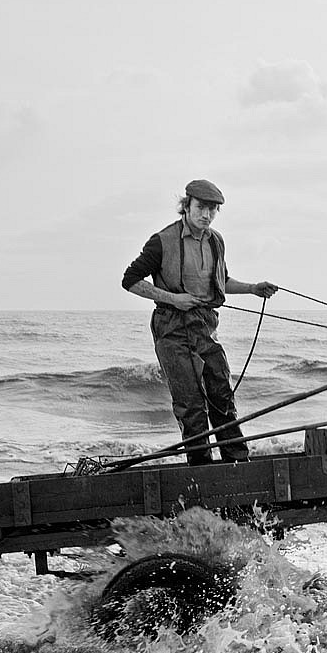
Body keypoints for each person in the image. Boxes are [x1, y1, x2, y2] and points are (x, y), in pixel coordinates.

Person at [122, 179, 278, 464]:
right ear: (187, 206)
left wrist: (253, 288)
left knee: (222, 397)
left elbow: (221, 281)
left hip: (205, 326)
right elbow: (129, 281)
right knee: (191, 406)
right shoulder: (161, 241)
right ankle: (202, 472)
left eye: (212, 209)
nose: (206, 215)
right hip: (171, 328)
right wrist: (173, 298)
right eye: (201, 207)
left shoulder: (216, 241)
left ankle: (238, 465)